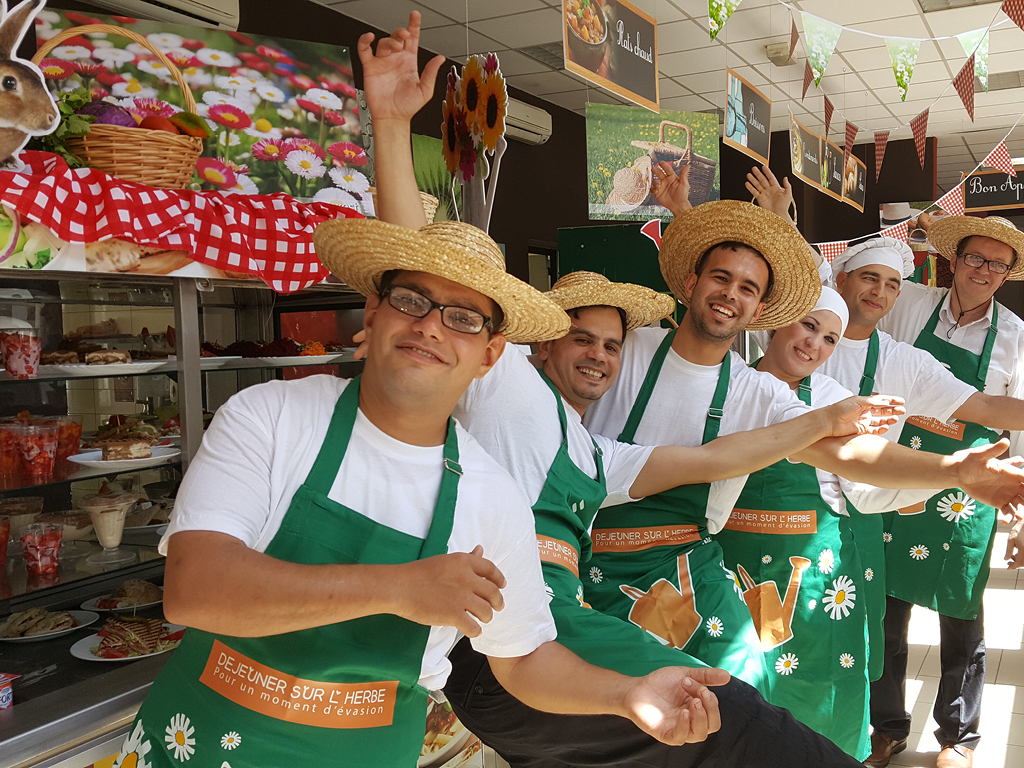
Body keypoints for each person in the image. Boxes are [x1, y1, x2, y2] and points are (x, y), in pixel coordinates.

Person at [108, 18, 731, 768]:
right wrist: (400, 588)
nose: (433, 326)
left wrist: (625, 695)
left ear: (491, 356)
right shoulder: (270, 415)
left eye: (464, 318)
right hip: (199, 747)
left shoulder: (492, 498)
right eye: (412, 301)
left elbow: (525, 659)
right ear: (371, 314)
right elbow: (196, 589)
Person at [443, 273, 910, 768]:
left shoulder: (596, 452)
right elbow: (439, 297)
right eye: (582, 339)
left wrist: (955, 470)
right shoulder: (507, 381)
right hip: (508, 641)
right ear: (540, 345)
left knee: (713, 713)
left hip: (532, 647)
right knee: (734, 718)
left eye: (610, 346)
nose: (598, 356)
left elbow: (711, 461)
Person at [866, 216, 1024, 768]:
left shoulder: (1016, 337)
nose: (984, 271)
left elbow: (1018, 429)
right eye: (976, 259)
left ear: (1007, 275)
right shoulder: (907, 303)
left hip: (969, 489)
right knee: (884, 611)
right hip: (901, 469)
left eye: (998, 264)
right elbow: (846, 290)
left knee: (961, 616)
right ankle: (885, 727)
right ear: (953, 261)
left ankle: (959, 737)